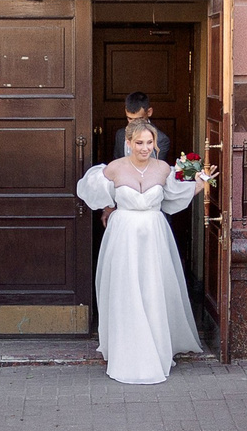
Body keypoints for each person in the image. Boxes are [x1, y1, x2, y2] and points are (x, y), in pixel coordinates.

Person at [76, 123, 203, 385]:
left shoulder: (163, 169)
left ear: (154, 143)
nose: (144, 148)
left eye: (149, 143)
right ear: (129, 143)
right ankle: (127, 349)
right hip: (123, 237)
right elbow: (93, 193)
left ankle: (156, 347)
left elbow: (180, 194)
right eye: (139, 143)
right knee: (127, 290)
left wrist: (199, 177)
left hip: (155, 235)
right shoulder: (113, 168)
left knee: (153, 289)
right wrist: (109, 208)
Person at [109, 90, 178, 162]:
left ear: (149, 112)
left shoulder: (161, 139)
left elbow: (157, 168)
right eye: (130, 118)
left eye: (138, 119)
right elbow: (117, 163)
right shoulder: (120, 135)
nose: (133, 123)